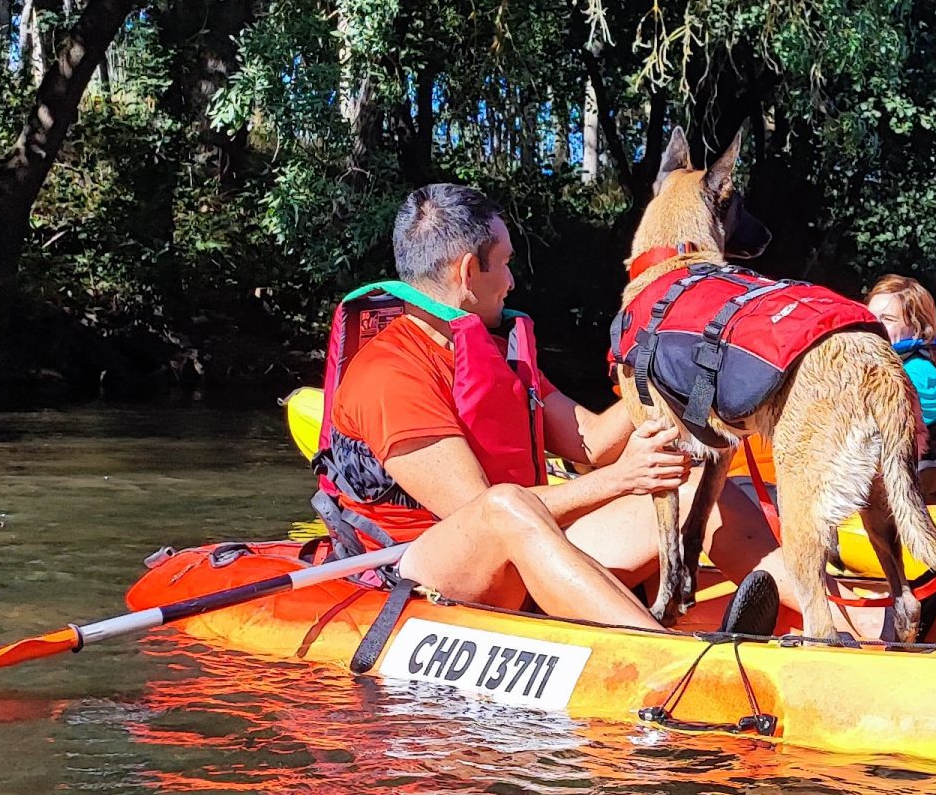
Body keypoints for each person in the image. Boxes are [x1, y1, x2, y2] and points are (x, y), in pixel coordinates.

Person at [320, 183, 770, 628]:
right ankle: (663, 655)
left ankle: (825, 619)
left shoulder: (498, 352)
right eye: (505, 263)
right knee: (503, 508)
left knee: (690, 482)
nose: (512, 281)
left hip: (529, 540)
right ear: (466, 272)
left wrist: (675, 378)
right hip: (421, 571)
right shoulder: (389, 372)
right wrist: (621, 479)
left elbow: (591, 444)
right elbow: (481, 510)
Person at [866, 274, 936, 499]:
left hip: (913, 490)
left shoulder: (919, 373)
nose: (875, 325)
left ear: (916, 328)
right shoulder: (893, 364)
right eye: (870, 316)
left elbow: (906, 438)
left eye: (887, 318)